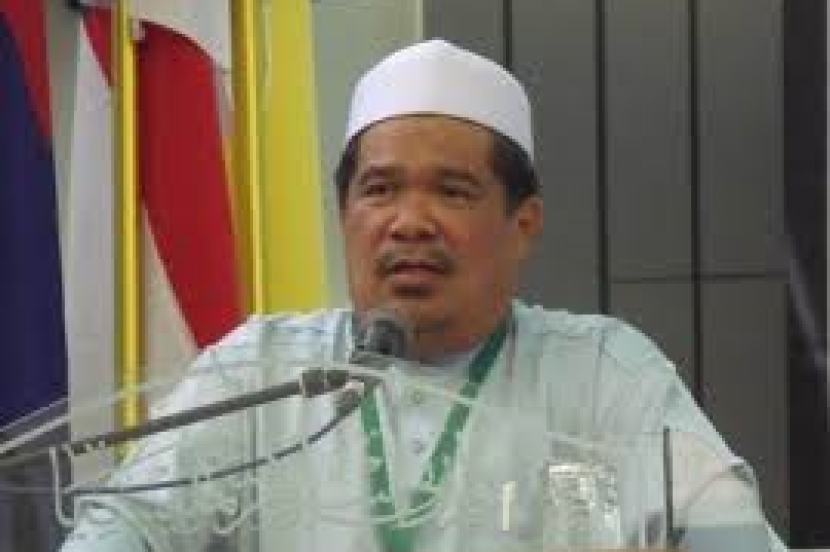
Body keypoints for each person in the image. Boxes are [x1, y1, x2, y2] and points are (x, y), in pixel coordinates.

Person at [61, 39, 786, 551]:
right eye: (379, 189)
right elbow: (121, 530)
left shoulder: (603, 373)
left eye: (453, 191)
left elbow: (731, 531)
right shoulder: (262, 369)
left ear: (523, 224)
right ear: (344, 213)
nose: (409, 222)